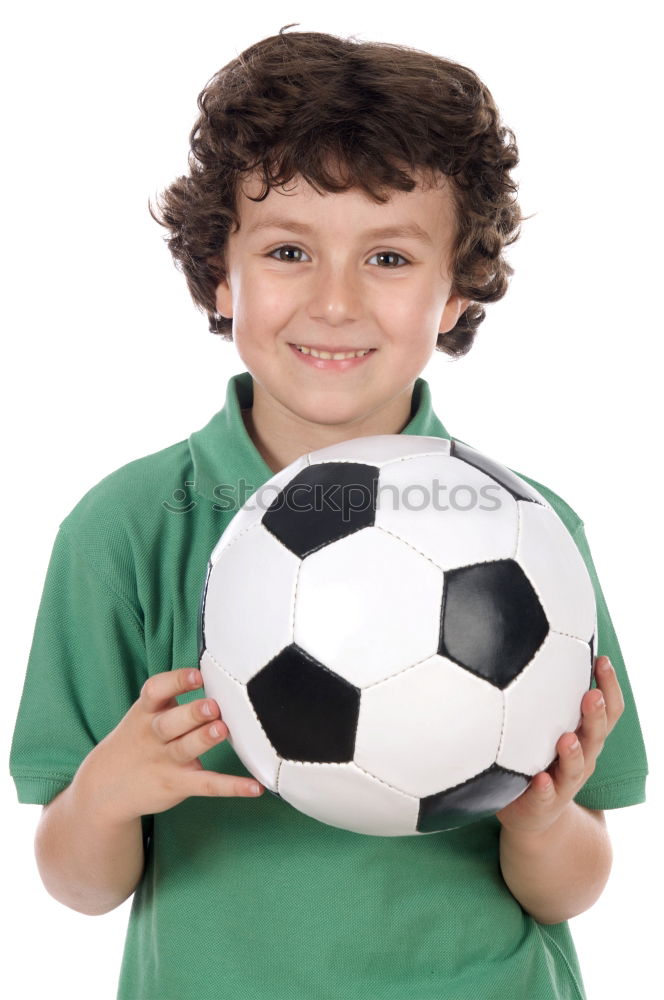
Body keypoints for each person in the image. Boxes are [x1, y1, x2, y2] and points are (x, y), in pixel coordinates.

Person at [9, 24, 649, 1000]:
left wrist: (540, 822)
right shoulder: (128, 528)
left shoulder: (528, 529)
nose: (336, 301)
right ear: (219, 272)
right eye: (289, 250)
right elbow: (76, 883)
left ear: (455, 290)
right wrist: (106, 795)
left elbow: (573, 880)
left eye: (389, 258)